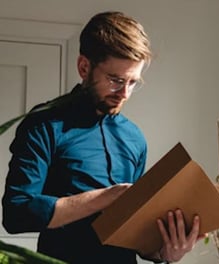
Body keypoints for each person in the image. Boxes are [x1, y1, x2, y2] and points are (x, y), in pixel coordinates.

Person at [1, 11, 205, 264]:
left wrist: (166, 253)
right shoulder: (43, 124)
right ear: (84, 67)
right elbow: (17, 213)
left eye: (133, 82)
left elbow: (135, 236)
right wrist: (107, 197)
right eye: (116, 80)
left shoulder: (134, 137)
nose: (125, 93)